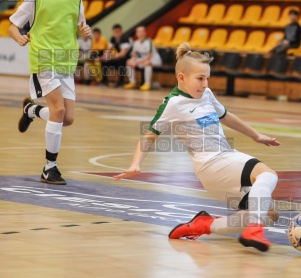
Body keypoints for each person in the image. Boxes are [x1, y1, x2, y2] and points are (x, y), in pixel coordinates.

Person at [114, 43, 280, 252]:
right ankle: (254, 230)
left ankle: (204, 224)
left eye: (207, 78)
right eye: (200, 79)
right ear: (181, 77)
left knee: (270, 214)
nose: (205, 84)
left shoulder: (207, 94)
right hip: (212, 164)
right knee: (268, 175)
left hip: (224, 162)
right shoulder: (173, 104)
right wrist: (135, 164)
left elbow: (226, 116)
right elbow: (149, 136)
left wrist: (256, 136)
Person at [9, 0, 92, 185]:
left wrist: (85, 30)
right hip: (44, 60)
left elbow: (81, 25)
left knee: (67, 119)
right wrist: (20, 37)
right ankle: (49, 167)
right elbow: (12, 25)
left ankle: (31, 110)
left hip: (66, 62)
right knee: (57, 112)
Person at [124, 26, 162, 91]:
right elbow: (134, 54)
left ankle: (147, 84)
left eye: (142, 31)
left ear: (145, 33)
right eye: (138, 32)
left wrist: (136, 63)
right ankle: (132, 82)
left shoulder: (149, 41)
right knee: (129, 62)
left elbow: (148, 56)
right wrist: (133, 61)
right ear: (136, 33)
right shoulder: (136, 42)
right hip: (142, 59)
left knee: (147, 63)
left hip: (153, 59)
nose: (140, 33)